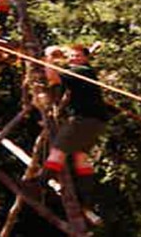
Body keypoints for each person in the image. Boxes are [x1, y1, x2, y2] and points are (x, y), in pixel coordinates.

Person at [41, 44, 111, 222]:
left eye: (78, 56)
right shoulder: (85, 72)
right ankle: (86, 202)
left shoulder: (79, 71)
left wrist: (48, 57)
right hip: (96, 121)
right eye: (71, 56)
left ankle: (39, 185)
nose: (74, 59)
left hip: (84, 120)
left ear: (86, 58)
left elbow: (52, 78)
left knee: (58, 149)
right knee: (81, 158)